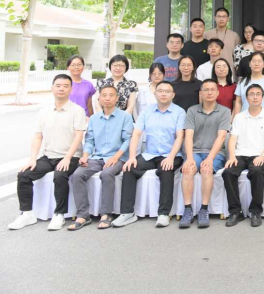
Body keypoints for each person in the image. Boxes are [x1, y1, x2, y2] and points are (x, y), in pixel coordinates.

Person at [9, 75, 86, 231]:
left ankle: (59, 214)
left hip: (71, 156)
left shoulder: (77, 110)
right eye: (58, 85)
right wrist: (32, 159)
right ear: (52, 88)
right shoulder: (44, 111)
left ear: (71, 89)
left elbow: (78, 136)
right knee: (24, 175)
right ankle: (27, 214)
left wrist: (68, 157)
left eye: (65, 86)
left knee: (60, 175)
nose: (61, 88)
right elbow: (38, 136)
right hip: (49, 156)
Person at [112, 81, 185, 228]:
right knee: (129, 168)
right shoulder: (147, 112)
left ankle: (163, 213)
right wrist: (132, 157)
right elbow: (136, 134)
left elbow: (180, 136)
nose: (163, 94)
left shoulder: (179, 112)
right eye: (160, 91)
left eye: (167, 91)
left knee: (166, 170)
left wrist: (171, 157)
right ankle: (127, 213)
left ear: (173, 95)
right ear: (155, 93)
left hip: (171, 154)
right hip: (150, 154)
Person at [67, 84, 133, 231]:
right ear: (99, 98)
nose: (107, 98)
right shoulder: (94, 119)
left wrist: (115, 157)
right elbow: (89, 141)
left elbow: (127, 140)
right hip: (97, 157)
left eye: (111, 95)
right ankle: (83, 215)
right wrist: (85, 156)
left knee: (107, 173)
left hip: (118, 157)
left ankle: (106, 214)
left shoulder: (125, 117)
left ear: (117, 98)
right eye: (104, 95)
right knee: (77, 175)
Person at [223, 84, 264, 227]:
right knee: (228, 172)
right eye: (251, 94)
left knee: (257, 171)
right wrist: (232, 156)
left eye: (258, 94)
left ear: (262, 97)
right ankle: (235, 212)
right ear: (246, 98)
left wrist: (262, 155)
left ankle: (255, 211)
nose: (255, 97)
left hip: (260, 155)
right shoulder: (239, 117)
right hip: (240, 154)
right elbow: (233, 139)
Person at [179, 79, 231, 228]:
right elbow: (188, 136)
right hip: (195, 151)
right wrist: (189, 158)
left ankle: (204, 209)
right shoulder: (192, 110)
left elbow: (221, 137)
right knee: (188, 169)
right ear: (200, 93)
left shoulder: (225, 111)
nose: (209, 92)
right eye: (206, 90)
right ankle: (187, 210)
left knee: (206, 169)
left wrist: (209, 158)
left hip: (215, 153)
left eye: (212, 89)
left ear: (217, 93)